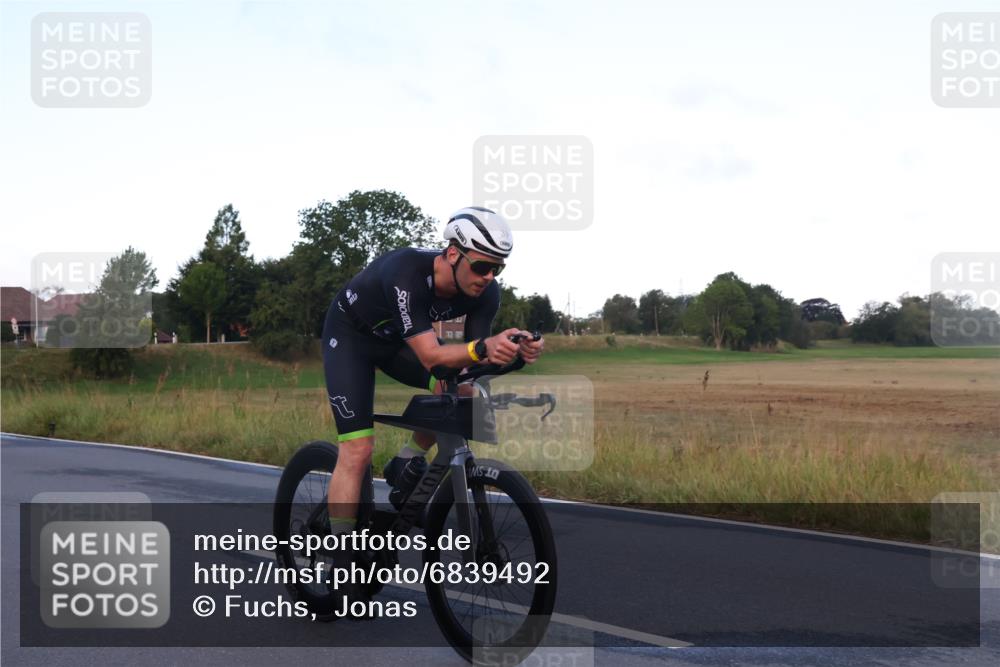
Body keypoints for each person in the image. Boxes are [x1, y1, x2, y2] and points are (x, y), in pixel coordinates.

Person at [321, 206, 544, 542]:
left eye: (497, 268)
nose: (488, 276)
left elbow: (471, 366)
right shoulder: (406, 273)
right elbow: (431, 356)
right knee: (358, 449)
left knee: (463, 391)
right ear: (453, 254)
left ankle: (405, 463)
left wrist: (515, 353)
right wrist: (483, 347)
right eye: (481, 266)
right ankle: (340, 553)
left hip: (398, 343)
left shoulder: (485, 293)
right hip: (351, 338)